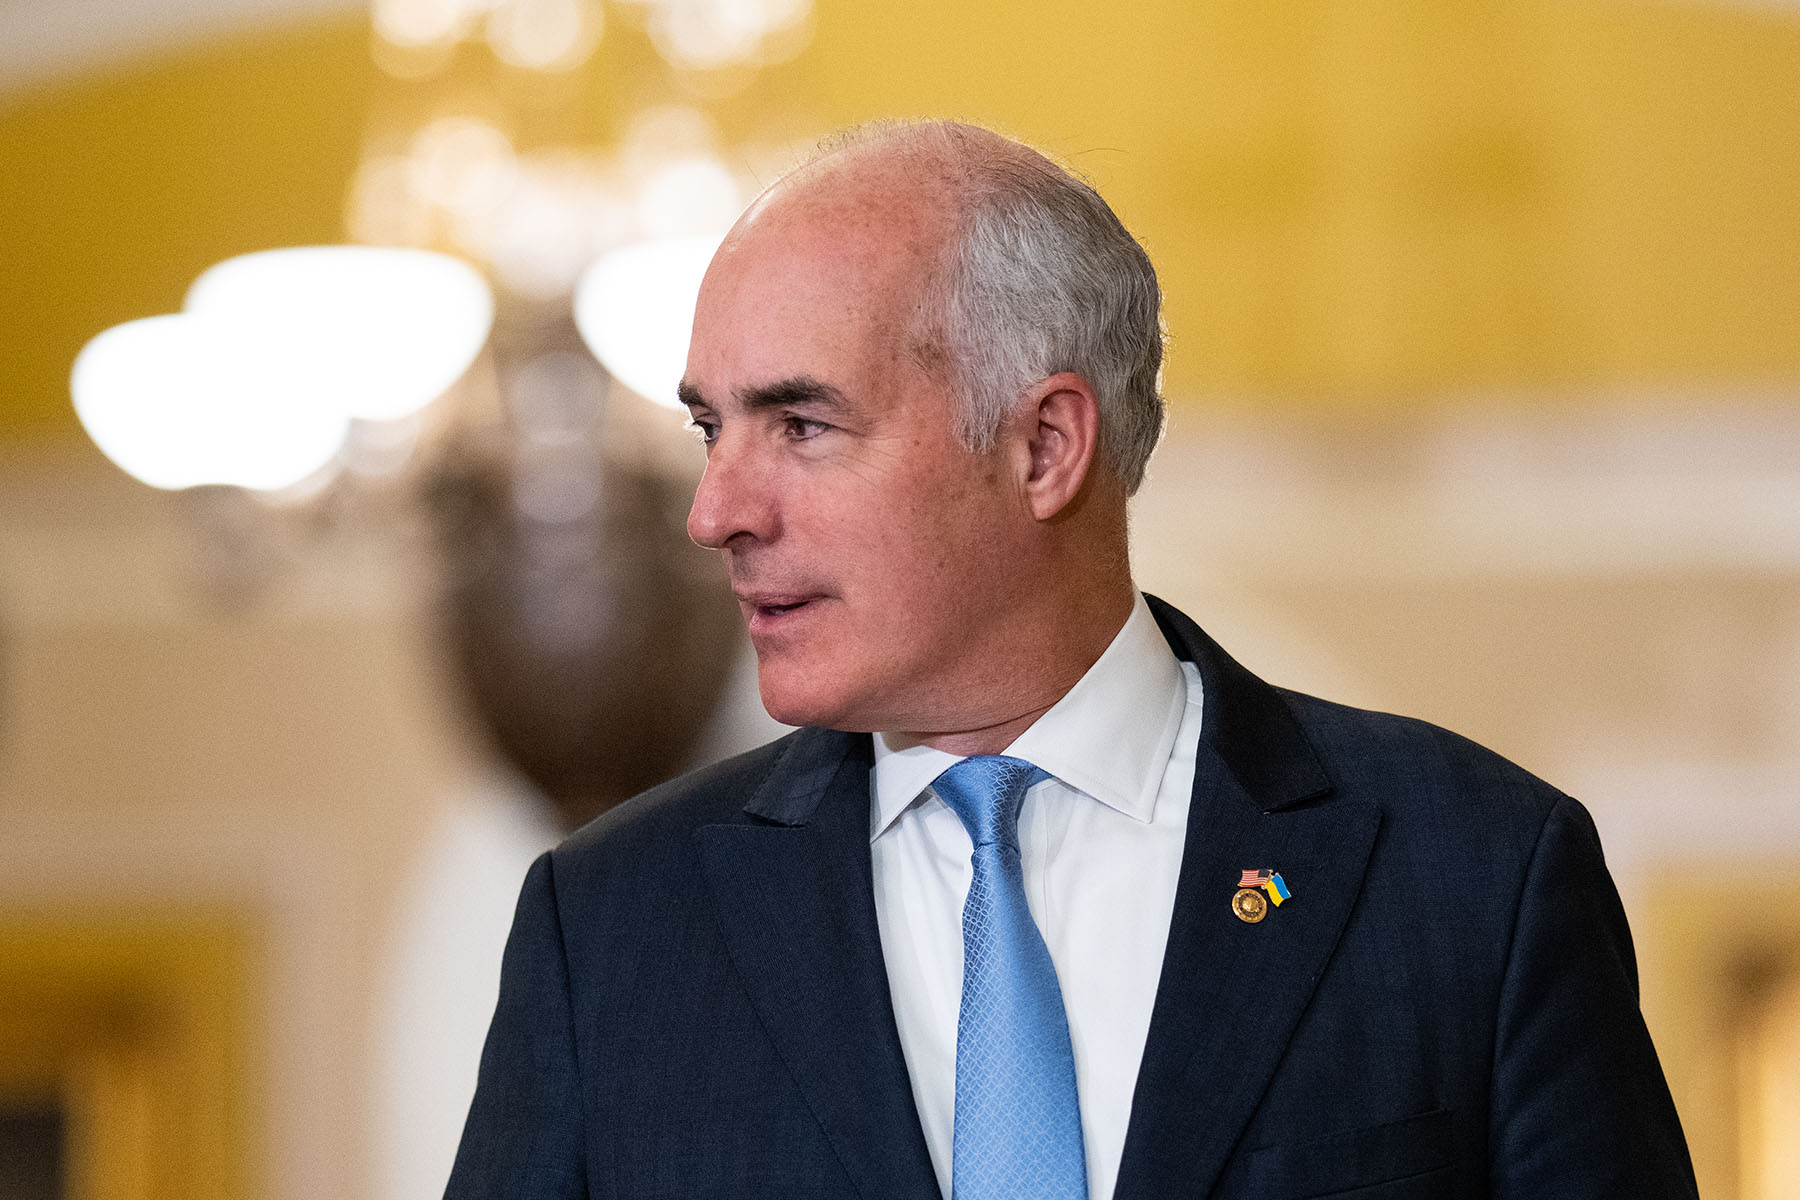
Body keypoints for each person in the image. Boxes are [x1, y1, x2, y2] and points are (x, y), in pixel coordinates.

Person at [446, 120, 1698, 1200]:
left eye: (802, 424)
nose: (715, 511)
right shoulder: (611, 927)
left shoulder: (1474, 875)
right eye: (712, 428)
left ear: (1046, 447)